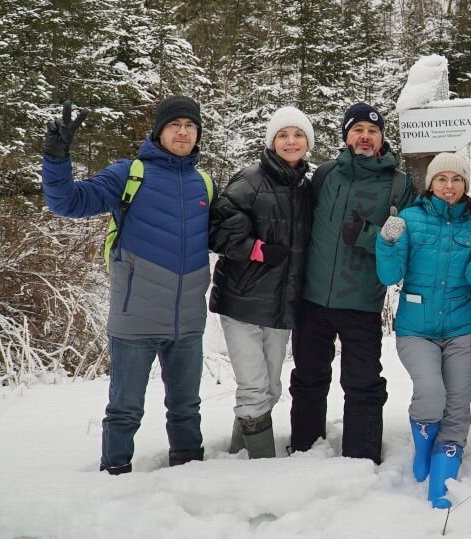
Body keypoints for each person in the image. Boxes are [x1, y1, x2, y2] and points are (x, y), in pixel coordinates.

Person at [41, 96, 213, 475]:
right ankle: (114, 476)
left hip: (187, 322)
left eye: (190, 125)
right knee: (124, 410)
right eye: (174, 125)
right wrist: (56, 160)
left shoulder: (204, 183)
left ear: (198, 133)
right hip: (135, 319)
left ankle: (192, 476)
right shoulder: (129, 173)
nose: (182, 131)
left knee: (187, 409)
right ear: (159, 131)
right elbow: (68, 202)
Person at [289, 102, 416, 464]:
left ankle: (361, 458)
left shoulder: (398, 185)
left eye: (372, 131)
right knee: (308, 378)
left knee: (362, 384)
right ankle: (304, 450)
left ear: (381, 139)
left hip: (361, 300)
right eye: (358, 130)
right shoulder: (326, 175)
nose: (364, 136)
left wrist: (366, 235)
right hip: (313, 298)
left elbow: (407, 243)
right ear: (346, 136)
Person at [376, 152, 471, 508]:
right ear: (430, 184)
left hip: (464, 329)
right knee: (431, 394)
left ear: (465, 185)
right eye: (442, 179)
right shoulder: (410, 220)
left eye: (457, 179)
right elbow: (389, 276)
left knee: (457, 408)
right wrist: (387, 242)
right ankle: (423, 454)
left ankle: (442, 476)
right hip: (417, 329)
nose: (449, 186)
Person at [208, 106, 315, 459]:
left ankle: (240, 454)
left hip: (280, 303)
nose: (291, 141)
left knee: (269, 388)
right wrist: (256, 249)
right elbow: (217, 230)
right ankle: (262, 468)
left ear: (307, 143)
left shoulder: (306, 187)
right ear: (271, 141)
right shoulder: (251, 179)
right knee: (254, 388)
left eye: (298, 135)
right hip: (242, 300)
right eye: (283, 135)